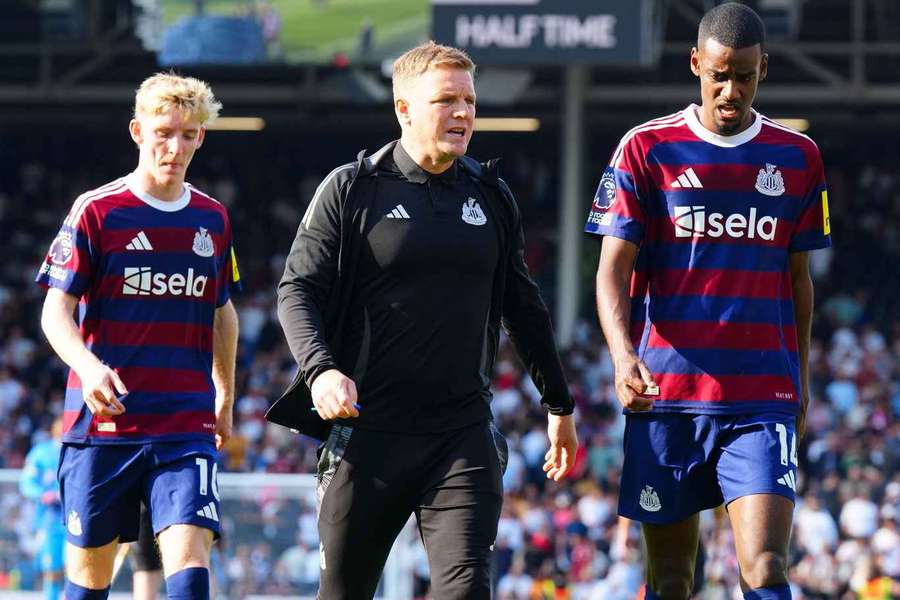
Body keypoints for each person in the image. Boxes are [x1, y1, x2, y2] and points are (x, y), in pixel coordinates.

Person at [266, 40, 577, 599]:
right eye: (446, 101)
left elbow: (523, 308)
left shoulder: (492, 195)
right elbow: (296, 290)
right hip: (367, 434)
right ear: (404, 109)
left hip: (460, 435)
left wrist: (559, 404)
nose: (462, 113)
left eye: (469, 101)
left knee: (465, 590)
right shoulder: (352, 189)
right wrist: (322, 371)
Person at [585, 4, 831, 600]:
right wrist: (622, 359)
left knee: (766, 568)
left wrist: (800, 383)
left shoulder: (797, 157)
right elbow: (611, 272)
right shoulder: (647, 148)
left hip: (761, 399)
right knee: (671, 581)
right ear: (696, 63)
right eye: (719, 74)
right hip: (666, 399)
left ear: (763, 70)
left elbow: (799, 283)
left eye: (744, 75)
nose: (731, 89)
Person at [36, 72, 240, 600]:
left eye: (190, 134)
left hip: (185, 424)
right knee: (90, 585)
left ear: (201, 137)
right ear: (137, 131)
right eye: (164, 132)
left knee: (191, 568)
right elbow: (55, 311)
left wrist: (225, 392)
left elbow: (224, 311)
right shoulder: (97, 211)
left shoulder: (212, 219)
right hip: (104, 425)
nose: (176, 146)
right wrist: (87, 366)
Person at [20, 417, 66, 600]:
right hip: (50, 521)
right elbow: (26, 484)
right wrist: (43, 495)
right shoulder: (41, 453)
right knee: (52, 568)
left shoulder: (80, 451)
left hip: (76, 520)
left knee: (76, 568)